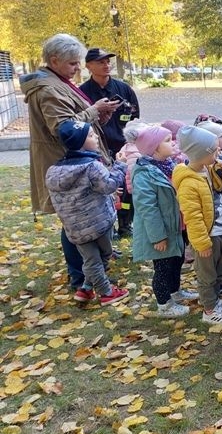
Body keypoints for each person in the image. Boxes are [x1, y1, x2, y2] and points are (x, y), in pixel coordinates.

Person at [20, 33, 120, 291]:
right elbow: (64, 129)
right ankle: (80, 277)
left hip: (75, 160)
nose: (78, 68)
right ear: (54, 60)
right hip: (66, 163)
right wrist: (94, 110)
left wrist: (99, 117)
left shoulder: (58, 81)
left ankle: (92, 268)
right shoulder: (48, 89)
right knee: (74, 221)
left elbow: (75, 121)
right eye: (73, 63)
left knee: (85, 215)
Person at [45, 120, 129, 306]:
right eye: (91, 135)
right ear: (80, 143)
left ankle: (86, 289)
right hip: (99, 223)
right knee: (101, 257)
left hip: (75, 228)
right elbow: (108, 186)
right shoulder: (92, 166)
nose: (97, 136)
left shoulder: (53, 170)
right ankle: (106, 293)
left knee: (91, 258)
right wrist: (121, 165)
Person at [173, 126, 222, 327]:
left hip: (220, 231)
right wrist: (201, 243)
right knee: (207, 275)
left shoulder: (207, 169)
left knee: (219, 270)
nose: (219, 153)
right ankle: (209, 310)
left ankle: (215, 301)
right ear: (202, 153)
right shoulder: (188, 182)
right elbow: (192, 216)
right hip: (207, 237)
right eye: (215, 150)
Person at [130, 125, 192, 318]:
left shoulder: (169, 165)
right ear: (154, 148)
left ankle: (175, 291)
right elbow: (147, 208)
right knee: (163, 268)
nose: (172, 143)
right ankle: (164, 304)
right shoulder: (144, 173)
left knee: (177, 260)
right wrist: (158, 237)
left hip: (176, 226)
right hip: (161, 230)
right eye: (167, 141)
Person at [79, 48, 140, 237]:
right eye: (100, 62)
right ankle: (107, 226)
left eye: (108, 61)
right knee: (103, 187)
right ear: (89, 66)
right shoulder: (82, 92)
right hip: (97, 148)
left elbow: (135, 117)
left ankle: (125, 223)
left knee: (127, 187)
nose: (106, 65)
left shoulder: (123, 89)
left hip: (122, 147)